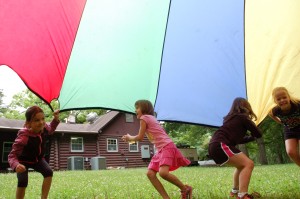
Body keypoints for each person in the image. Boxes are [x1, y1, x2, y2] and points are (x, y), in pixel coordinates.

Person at [122, 100, 192, 199]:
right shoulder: (152, 118)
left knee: (163, 173)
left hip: (166, 146)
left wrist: (129, 138)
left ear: (144, 108)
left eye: (137, 108)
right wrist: (131, 139)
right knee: (150, 174)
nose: (135, 110)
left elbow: (140, 137)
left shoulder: (144, 118)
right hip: (161, 148)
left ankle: (185, 189)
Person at [208, 97, 262, 199]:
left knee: (241, 166)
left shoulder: (231, 120)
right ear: (246, 107)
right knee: (248, 164)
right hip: (220, 145)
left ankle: (235, 191)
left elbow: (238, 140)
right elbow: (258, 133)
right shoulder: (243, 117)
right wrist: (256, 130)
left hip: (215, 146)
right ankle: (242, 195)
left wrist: (251, 137)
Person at [8, 106, 60, 199]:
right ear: (28, 123)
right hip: (23, 162)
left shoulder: (44, 128)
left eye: (43, 119)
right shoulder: (23, 137)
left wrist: (55, 119)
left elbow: (51, 129)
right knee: (23, 181)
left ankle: (44, 198)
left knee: (48, 172)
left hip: (38, 160)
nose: (41, 122)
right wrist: (16, 165)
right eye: (36, 120)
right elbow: (12, 155)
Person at [268, 87, 300, 167]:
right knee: (290, 152)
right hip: (289, 128)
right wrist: (281, 122)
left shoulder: (297, 104)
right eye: (278, 99)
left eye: (284, 97)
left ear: (289, 97)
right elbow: (271, 114)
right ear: (275, 101)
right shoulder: (275, 110)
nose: (282, 100)